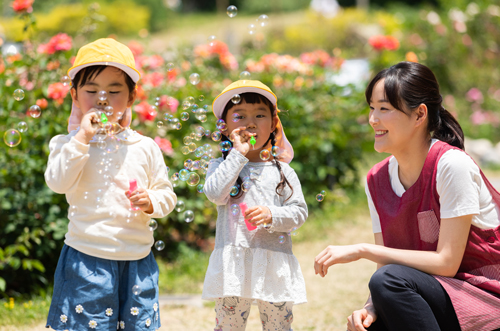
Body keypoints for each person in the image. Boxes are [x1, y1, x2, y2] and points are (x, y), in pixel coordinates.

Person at [314, 61, 500, 331]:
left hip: (486, 299)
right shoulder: (376, 180)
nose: (372, 119)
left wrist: (362, 250)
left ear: (419, 115)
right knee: (372, 322)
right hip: (438, 295)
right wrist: (369, 308)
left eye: (384, 109)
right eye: (372, 108)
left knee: (388, 282)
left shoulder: (451, 165)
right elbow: (387, 271)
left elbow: (446, 263)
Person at [44, 38, 177, 330]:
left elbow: (167, 194)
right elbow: (57, 182)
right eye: (91, 91)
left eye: (114, 91)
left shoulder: (145, 147)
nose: (102, 99)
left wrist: (152, 201)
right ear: (75, 96)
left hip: (138, 261)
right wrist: (81, 138)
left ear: (131, 98)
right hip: (86, 258)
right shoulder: (68, 144)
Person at [202, 80, 308, 331]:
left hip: (274, 265)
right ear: (225, 127)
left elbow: (299, 212)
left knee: (278, 327)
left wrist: (272, 214)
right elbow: (216, 194)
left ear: (273, 124)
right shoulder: (221, 166)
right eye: (239, 116)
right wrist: (237, 155)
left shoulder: (283, 171)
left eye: (260, 115)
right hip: (233, 266)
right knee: (228, 327)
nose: (250, 123)